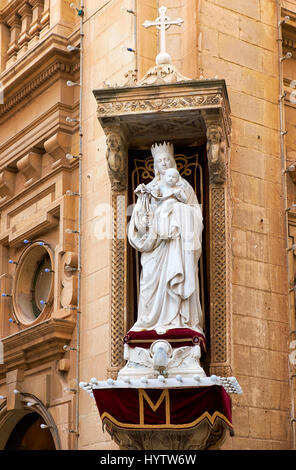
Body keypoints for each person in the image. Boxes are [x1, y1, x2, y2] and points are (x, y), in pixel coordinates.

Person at [128, 142, 204, 335]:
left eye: (166, 159)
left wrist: (178, 213)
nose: (162, 162)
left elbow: (197, 215)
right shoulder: (149, 188)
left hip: (177, 244)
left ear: (172, 162)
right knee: (148, 284)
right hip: (155, 244)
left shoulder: (184, 186)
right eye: (159, 160)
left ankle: (179, 320)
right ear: (154, 164)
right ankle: (148, 321)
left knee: (177, 276)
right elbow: (139, 219)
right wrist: (145, 206)